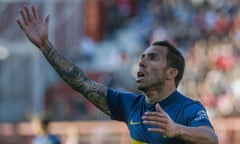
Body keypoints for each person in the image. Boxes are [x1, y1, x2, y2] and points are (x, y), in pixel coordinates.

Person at [16, 5, 218, 144]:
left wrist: (177, 130)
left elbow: (211, 138)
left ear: (171, 73)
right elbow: (82, 83)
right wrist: (45, 47)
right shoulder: (129, 105)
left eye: (153, 58)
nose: (142, 62)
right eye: (142, 57)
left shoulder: (188, 108)